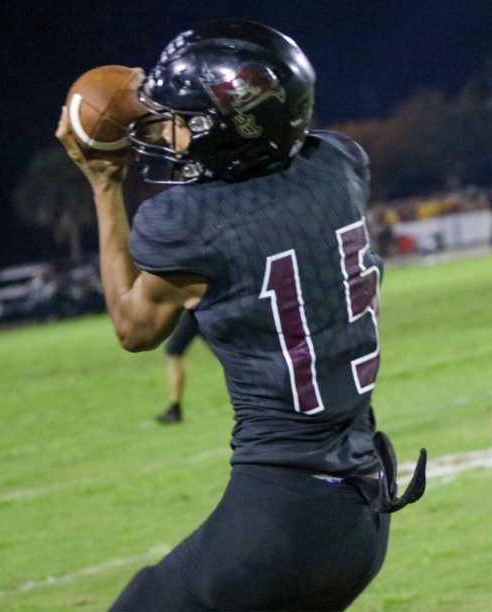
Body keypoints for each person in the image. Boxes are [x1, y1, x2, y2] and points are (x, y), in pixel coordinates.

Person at [56, 20, 426, 611]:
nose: (168, 133)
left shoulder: (192, 225)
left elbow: (133, 327)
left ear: (227, 132)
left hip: (281, 518)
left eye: (180, 121)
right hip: (363, 510)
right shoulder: (338, 166)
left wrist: (105, 184)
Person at [156, 309, 200, 423]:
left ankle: (175, 408)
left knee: (173, 349)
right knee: (174, 349)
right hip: (201, 310)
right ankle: (175, 407)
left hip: (199, 309)